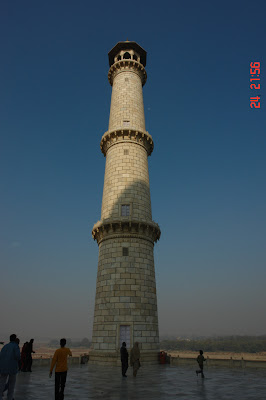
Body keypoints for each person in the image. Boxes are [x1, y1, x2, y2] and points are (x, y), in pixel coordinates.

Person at [0, 334, 21, 400]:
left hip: (3, 367)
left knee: (2, 383)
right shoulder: (15, 346)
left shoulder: (5, 346)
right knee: (11, 384)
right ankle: (10, 397)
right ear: (15, 339)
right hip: (12, 368)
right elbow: (18, 356)